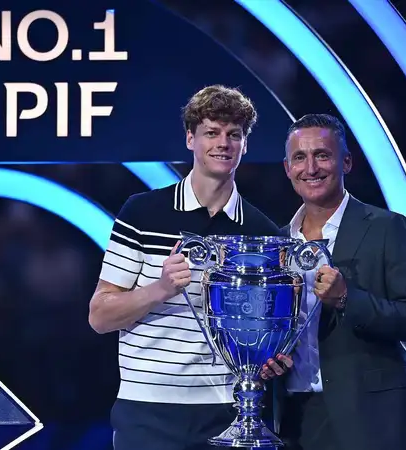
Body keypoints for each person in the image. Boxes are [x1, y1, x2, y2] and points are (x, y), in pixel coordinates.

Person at [88, 85, 283, 450]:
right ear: (190, 138)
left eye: (234, 134)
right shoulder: (141, 213)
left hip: (230, 411)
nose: (223, 143)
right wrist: (160, 288)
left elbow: (266, 330)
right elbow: (100, 316)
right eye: (212, 132)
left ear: (245, 145)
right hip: (148, 411)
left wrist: (273, 357)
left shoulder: (261, 233)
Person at [268, 113, 406, 450]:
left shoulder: (388, 228)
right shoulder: (277, 243)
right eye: (299, 157)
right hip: (297, 423)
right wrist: (267, 358)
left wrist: (347, 298)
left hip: (372, 422)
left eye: (322, 155)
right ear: (287, 168)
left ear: (346, 162)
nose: (310, 168)